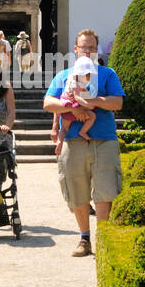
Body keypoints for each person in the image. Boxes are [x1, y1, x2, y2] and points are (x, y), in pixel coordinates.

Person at [43, 30, 125, 257]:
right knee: (76, 191)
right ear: (75, 50)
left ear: (97, 51)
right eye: (83, 47)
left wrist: (92, 101)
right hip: (73, 140)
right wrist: (73, 107)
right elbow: (48, 103)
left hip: (104, 139)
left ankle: (103, 240)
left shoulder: (107, 74)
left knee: (106, 190)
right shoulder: (64, 76)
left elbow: (117, 102)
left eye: (91, 47)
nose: (87, 51)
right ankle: (84, 238)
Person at [52, 55, 98, 154]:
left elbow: (84, 95)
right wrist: (87, 104)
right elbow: (77, 98)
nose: (89, 78)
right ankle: (82, 132)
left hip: (71, 107)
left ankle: (60, 142)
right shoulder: (76, 83)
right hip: (71, 106)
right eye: (88, 75)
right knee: (92, 117)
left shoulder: (77, 81)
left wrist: (88, 99)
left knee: (64, 128)